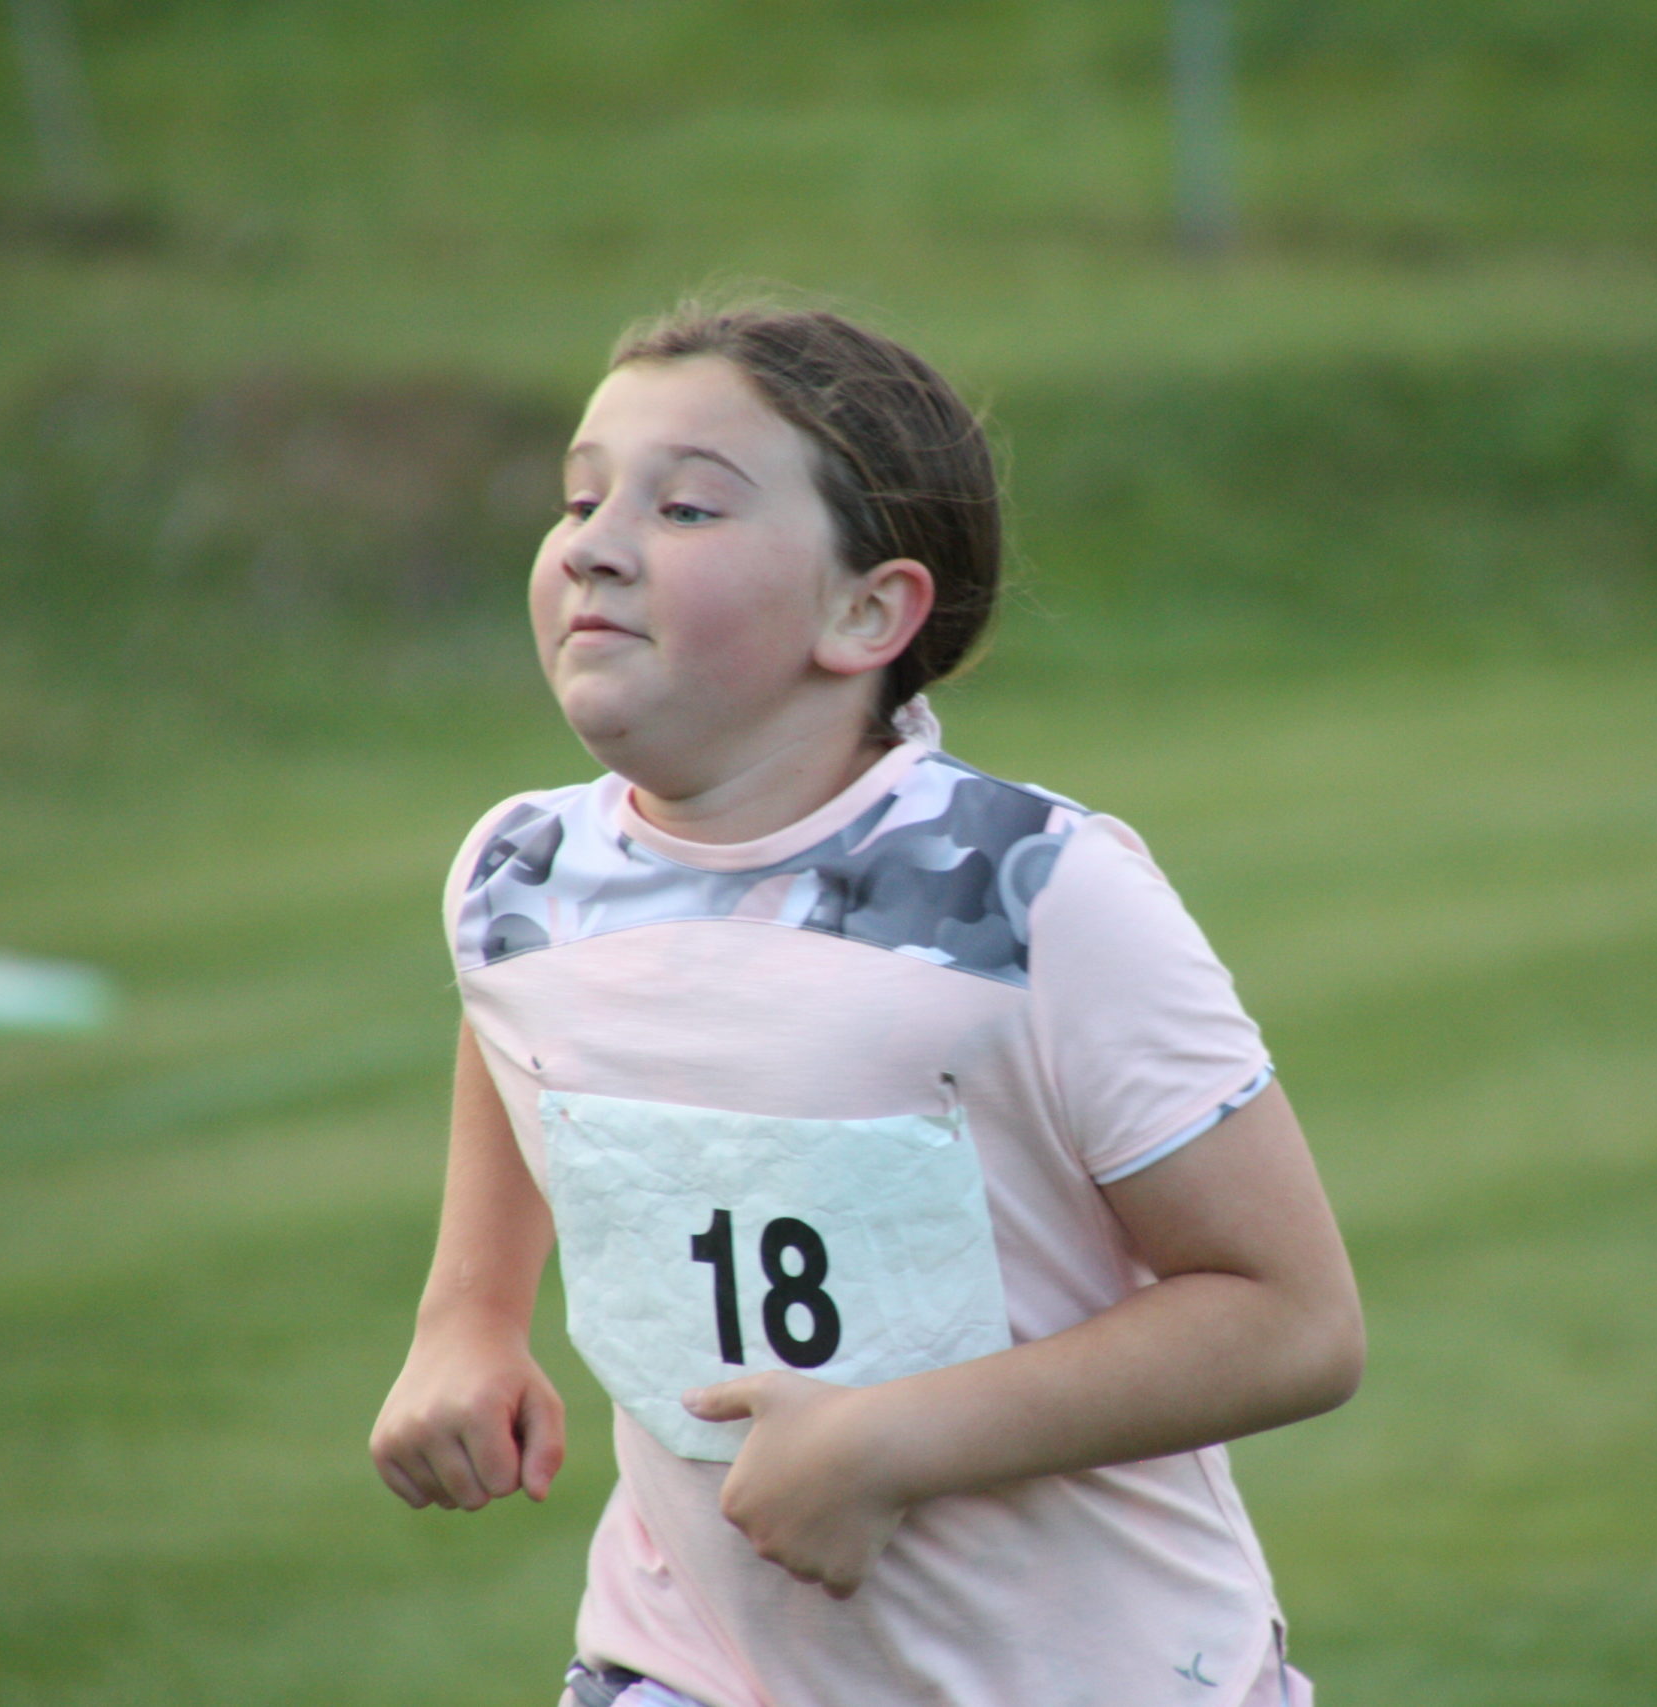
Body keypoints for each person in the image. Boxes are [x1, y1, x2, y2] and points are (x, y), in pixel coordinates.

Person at [368, 302, 1365, 1707]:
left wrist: (890, 1440)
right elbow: (522, 1026)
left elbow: (1292, 1320)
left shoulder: (1034, 890)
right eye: (581, 499)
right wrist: (468, 1318)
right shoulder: (518, 873)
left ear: (866, 612)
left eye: (687, 507)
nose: (595, 543)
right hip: (683, 1668)